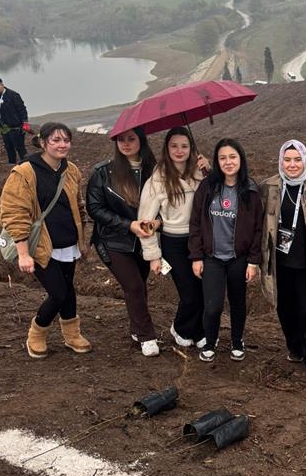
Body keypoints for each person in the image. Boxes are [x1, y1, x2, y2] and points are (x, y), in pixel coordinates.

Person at [0, 122, 92, 358]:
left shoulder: (70, 170)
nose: (62, 145)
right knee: (59, 293)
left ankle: (72, 335)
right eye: (56, 140)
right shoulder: (25, 172)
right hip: (41, 245)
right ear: (43, 142)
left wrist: (82, 240)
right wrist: (22, 252)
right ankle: (36, 333)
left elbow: (78, 206)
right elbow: (14, 213)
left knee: (68, 290)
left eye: (66, 140)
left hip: (68, 243)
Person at [86, 127, 160, 356]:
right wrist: (128, 225)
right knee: (134, 286)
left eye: (131, 139)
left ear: (141, 140)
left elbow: (170, 199)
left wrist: (156, 223)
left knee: (138, 287)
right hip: (113, 240)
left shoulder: (156, 171)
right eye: (121, 139)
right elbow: (95, 208)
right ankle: (147, 336)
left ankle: (137, 330)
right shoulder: (103, 172)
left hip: (144, 241)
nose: (126, 144)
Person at [189, 138, 263, 363]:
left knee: (238, 302)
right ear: (216, 161)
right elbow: (195, 223)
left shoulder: (250, 190)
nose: (228, 162)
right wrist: (196, 256)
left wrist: (253, 261)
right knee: (213, 306)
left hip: (238, 259)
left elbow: (258, 228)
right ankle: (210, 342)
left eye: (232, 157)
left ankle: (237, 341)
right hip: (212, 258)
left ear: (241, 159)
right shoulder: (208, 186)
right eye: (223, 158)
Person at [260, 139, 306, 370]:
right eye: (287, 159)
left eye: (297, 159)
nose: (292, 164)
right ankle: (295, 348)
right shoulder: (268, 187)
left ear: (305, 160)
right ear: (280, 160)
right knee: (284, 307)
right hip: (278, 261)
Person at [138, 127, 209, 349]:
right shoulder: (157, 180)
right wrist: (153, 256)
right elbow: (146, 221)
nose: (179, 151)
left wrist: (211, 172)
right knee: (189, 292)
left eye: (184, 146)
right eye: (174, 146)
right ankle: (180, 327)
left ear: (191, 149)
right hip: (174, 243)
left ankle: (198, 330)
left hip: (200, 240)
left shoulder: (200, 174)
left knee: (203, 290)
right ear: (167, 149)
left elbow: (219, 197)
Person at [0, 77, 29, 164]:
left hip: (15, 127)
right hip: (3, 127)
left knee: (20, 147)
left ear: (2, 85)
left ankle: (27, 166)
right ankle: (11, 164)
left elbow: (22, 109)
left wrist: (25, 122)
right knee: (8, 146)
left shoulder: (13, 95)